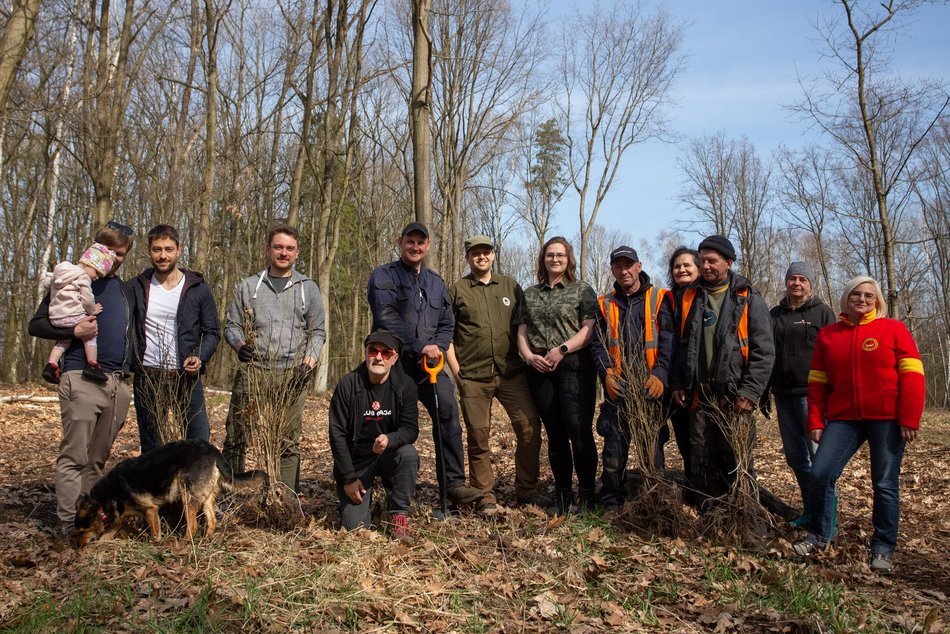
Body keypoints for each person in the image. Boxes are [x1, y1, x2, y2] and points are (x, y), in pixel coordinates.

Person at [794, 276, 924, 574]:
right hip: (844, 419)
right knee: (821, 473)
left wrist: (909, 418)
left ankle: (882, 548)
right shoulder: (829, 335)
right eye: (856, 294)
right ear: (846, 299)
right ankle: (819, 536)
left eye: (868, 295)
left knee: (884, 484)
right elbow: (816, 384)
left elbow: (913, 375)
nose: (862, 300)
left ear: (876, 300)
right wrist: (815, 419)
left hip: (887, 420)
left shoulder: (893, 329)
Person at [29, 221, 136, 530]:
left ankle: (87, 520)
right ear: (95, 248)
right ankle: (67, 525)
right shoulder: (73, 279)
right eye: (110, 251)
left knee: (97, 460)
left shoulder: (124, 288)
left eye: (121, 253)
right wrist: (73, 330)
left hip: (117, 383)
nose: (114, 258)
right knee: (75, 456)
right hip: (81, 376)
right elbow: (36, 325)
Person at [367, 222, 483, 508]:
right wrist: (420, 346)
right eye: (410, 241)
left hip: (430, 367)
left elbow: (447, 323)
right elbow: (386, 317)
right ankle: (388, 482)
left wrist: (439, 346)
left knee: (447, 412)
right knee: (390, 420)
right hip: (395, 365)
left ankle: (453, 484)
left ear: (428, 246)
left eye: (421, 242)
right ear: (400, 242)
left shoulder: (436, 282)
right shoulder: (384, 276)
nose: (415, 247)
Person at [670, 234, 774, 506]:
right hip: (698, 396)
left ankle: (743, 511)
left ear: (728, 262)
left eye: (712, 261)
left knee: (736, 458)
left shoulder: (747, 297)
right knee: (700, 457)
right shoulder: (690, 296)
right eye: (702, 260)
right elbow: (683, 345)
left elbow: (764, 351)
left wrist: (750, 392)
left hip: (733, 396)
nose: (705, 266)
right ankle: (708, 513)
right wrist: (679, 383)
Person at [447, 235, 546, 514]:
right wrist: (458, 374)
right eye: (475, 253)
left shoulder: (510, 286)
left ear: (493, 255)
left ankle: (526, 490)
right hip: (473, 376)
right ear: (467, 258)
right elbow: (447, 335)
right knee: (478, 437)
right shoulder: (457, 290)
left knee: (529, 429)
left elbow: (524, 326)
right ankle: (484, 495)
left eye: (486, 252)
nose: (481, 257)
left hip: (512, 373)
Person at [223, 224, 326, 493]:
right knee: (236, 436)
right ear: (268, 249)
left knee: (288, 441)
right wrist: (238, 345)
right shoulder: (248, 286)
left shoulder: (308, 288)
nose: (283, 253)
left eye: (289, 248)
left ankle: (285, 498)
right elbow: (232, 326)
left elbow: (317, 332)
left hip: (293, 372)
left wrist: (308, 364)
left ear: (297, 253)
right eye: (278, 247)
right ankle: (232, 497)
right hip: (254, 371)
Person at [516, 236, 599, 514]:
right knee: (555, 433)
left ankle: (587, 494)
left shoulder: (582, 290)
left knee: (579, 430)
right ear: (543, 259)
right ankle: (563, 494)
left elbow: (589, 329)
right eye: (550, 255)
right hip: (540, 369)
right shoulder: (529, 293)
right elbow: (522, 330)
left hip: (574, 366)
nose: (555, 259)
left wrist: (562, 349)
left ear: (569, 259)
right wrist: (528, 356)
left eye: (560, 255)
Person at [590, 246, 674, 511]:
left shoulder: (660, 298)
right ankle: (612, 504)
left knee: (652, 452)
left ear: (639, 266)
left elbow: (670, 342)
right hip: (620, 389)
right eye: (618, 266)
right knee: (614, 453)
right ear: (613, 270)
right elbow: (597, 344)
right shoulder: (604, 303)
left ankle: (655, 502)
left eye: (629, 265)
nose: (624, 270)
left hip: (650, 389)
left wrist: (660, 374)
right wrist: (607, 375)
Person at [129, 224, 221, 453]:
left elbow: (212, 332)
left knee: (199, 443)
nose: (163, 256)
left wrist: (199, 357)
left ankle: (194, 489)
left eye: (168, 249)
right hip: (148, 377)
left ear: (179, 249)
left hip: (186, 377)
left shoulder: (198, 289)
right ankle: (159, 489)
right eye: (157, 249)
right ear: (149, 251)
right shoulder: (136, 287)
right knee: (152, 447)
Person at [329, 330, 419, 537]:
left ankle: (398, 514)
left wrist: (390, 439)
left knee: (408, 454)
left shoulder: (405, 386)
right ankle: (362, 497)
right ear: (366, 353)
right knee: (357, 530)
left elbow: (411, 429)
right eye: (373, 351)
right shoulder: (348, 385)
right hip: (357, 463)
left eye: (386, 353)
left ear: (394, 358)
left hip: (389, 454)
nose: (378, 357)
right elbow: (337, 434)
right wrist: (348, 478)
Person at [768, 261, 835, 523]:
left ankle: (826, 518)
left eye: (802, 279)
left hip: (813, 397)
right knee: (796, 457)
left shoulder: (822, 313)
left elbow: (834, 354)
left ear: (810, 284)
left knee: (820, 460)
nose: (796, 283)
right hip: (783, 394)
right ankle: (810, 511)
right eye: (792, 278)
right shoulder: (775, 314)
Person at [41, 243, 116, 385]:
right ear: (90, 265)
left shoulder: (62, 272)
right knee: (90, 334)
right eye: (98, 273)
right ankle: (92, 364)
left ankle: (51, 364)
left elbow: (47, 283)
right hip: (72, 316)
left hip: (55, 318)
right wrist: (93, 310)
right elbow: (87, 299)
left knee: (63, 341)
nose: (97, 278)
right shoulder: (83, 277)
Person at [658, 246, 700, 471]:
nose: (681, 270)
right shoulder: (669, 299)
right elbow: (669, 345)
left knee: (704, 442)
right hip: (678, 382)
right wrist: (674, 383)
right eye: (676, 266)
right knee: (685, 442)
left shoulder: (708, 296)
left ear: (699, 268)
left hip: (704, 384)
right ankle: (694, 488)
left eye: (687, 265)